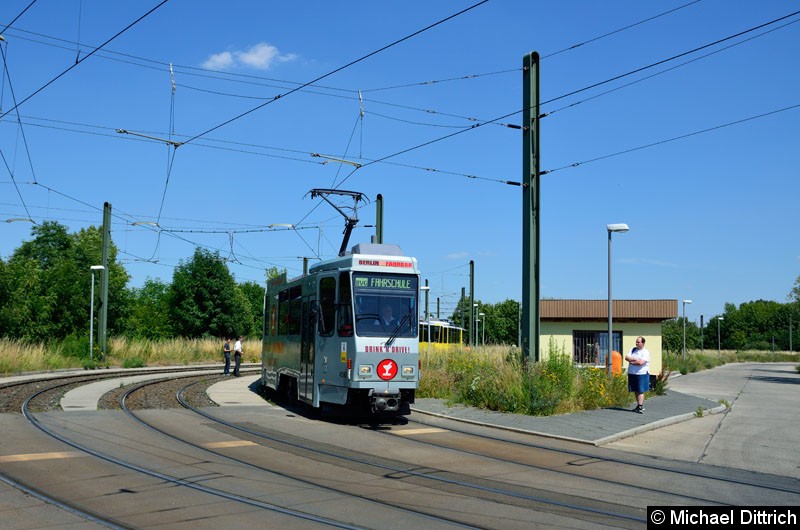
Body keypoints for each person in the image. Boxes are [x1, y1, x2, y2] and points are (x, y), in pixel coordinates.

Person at [625, 336, 650, 413]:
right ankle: (638, 405)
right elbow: (626, 357)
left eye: (638, 342)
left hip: (641, 374)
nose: (636, 343)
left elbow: (641, 363)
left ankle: (640, 406)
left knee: (640, 390)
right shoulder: (633, 350)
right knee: (635, 390)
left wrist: (632, 361)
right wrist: (636, 360)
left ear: (643, 343)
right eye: (636, 342)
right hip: (632, 373)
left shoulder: (645, 352)